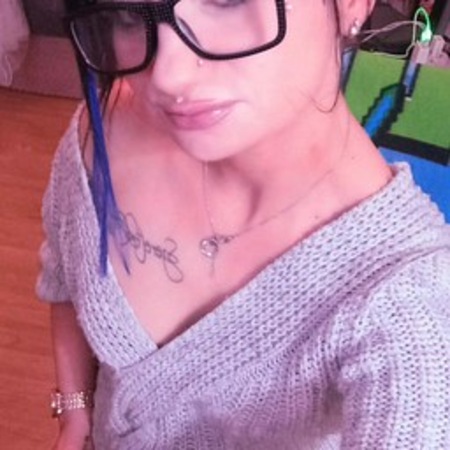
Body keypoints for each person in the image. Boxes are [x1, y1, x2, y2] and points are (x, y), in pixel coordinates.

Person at [36, 0, 450, 448]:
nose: (168, 75)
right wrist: (75, 410)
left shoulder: (407, 305)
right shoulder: (107, 124)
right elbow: (64, 271)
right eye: (127, 14)